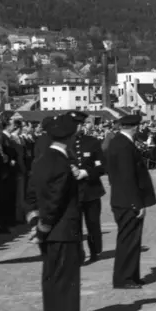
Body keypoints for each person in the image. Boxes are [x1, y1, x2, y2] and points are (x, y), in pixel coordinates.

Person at [29, 115, 86, 311]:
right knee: (67, 279)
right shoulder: (62, 164)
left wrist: (36, 225)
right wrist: (44, 227)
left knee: (51, 278)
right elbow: (56, 201)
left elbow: (32, 196)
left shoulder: (41, 160)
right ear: (71, 138)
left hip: (49, 229)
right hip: (63, 229)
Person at [105, 113, 156, 289]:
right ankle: (124, 278)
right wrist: (137, 204)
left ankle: (132, 275)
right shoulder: (124, 146)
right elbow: (127, 177)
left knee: (132, 240)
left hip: (123, 198)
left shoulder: (119, 142)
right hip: (127, 201)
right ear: (135, 127)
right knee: (128, 240)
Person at [69, 112, 106, 263]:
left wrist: (85, 172)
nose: (78, 127)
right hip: (72, 191)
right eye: (75, 124)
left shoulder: (92, 142)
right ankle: (78, 253)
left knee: (93, 224)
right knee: (74, 225)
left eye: (80, 124)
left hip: (91, 190)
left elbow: (102, 166)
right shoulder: (64, 144)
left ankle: (95, 251)